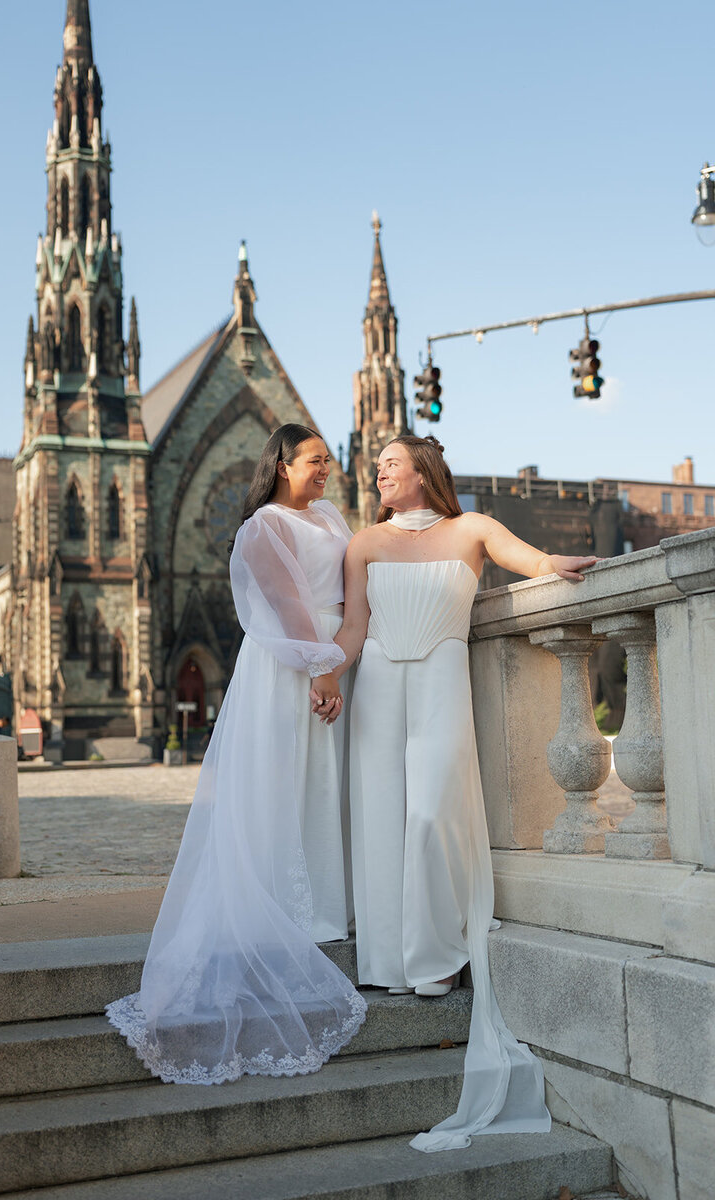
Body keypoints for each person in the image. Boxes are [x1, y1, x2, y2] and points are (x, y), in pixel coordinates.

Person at [312, 434, 596, 1151]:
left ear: (424, 473)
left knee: (432, 806)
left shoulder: (470, 530)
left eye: (391, 464)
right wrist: (325, 672)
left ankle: (433, 958)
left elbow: (524, 559)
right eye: (376, 465)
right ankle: (385, 961)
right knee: (379, 817)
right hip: (376, 680)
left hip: (440, 672)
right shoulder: (364, 541)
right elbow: (353, 625)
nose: (378, 471)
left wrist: (557, 567)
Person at [107, 424, 365, 1084]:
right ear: (281, 465)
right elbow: (288, 606)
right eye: (314, 461)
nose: (325, 471)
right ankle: (291, 913)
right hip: (292, 666)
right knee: (287, 783)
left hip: (336, 659)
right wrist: (322, 669)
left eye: (328, 461)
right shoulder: (263, 528)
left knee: (328, 784)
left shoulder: (333, 515)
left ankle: (332, 904)